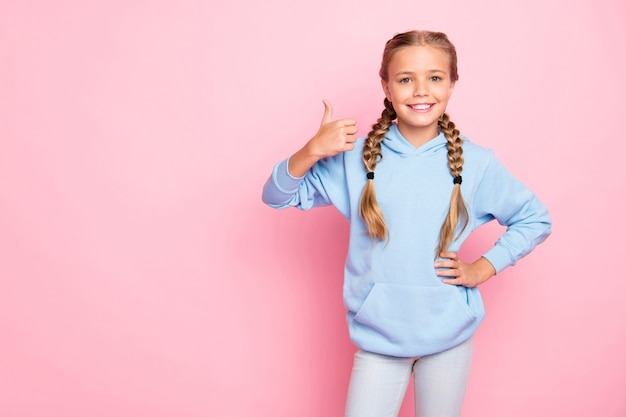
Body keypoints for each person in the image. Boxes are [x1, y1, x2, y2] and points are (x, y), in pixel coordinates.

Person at [261, 30, 551, 417]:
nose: (420, 91)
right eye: (405, 79)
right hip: (379, 338)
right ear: (386, 85)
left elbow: (535, 219)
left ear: (452, 83)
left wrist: (483, 267)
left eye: (435, 77)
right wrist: (312, 150)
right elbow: (276, 196)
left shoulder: (477, 163)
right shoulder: (354, 158)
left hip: (448, 336)